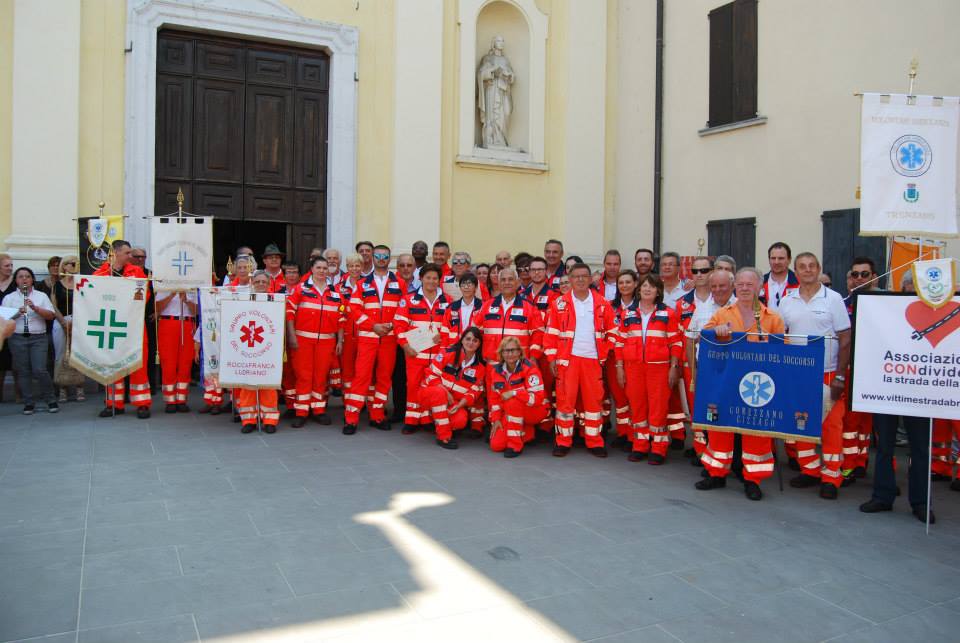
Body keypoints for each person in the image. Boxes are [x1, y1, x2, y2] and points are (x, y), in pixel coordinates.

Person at [696, 267, 784, 501]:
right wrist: (716, 332)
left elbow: (781, 353)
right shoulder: (723, 313)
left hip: (757, 384)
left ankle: (753, 480)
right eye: (741, 284)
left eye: (749, 284)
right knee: (720, 428)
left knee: (755, 431)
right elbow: (703, 336)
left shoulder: (773, 318)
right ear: (735, 287)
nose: (745, 288)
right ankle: (716, 473)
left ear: (759, 287)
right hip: (726, 380)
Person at [778, 252, 851, 499]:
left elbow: (845, 338)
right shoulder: (787, 300)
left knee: (831, 426)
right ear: (795, 271)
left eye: (811, 266)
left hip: (827, 373)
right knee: (801, 421)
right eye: (802, 266)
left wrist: (840, 376)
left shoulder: (833, 299)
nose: (807, 270)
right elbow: (780, 335)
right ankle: (809, 470)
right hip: (798, 373)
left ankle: (831, 476)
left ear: (818, 269)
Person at [545, 262, 617, 458]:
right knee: (565, 403)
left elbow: (613, 331)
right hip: (567, 361)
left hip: (592, 360)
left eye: (584, 276)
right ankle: (563, 441)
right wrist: (552, 358)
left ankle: (594, 441)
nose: (580, 280)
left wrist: (604, 351)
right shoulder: (559, 303)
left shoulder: (602, 303)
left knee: (594, 403)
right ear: (570, 279)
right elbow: (551, 333)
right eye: (576, 276)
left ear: (591, 279)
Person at [614, 273, 682, 463]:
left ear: (658, 291)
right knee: (637, 407)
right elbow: (619, 343)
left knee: (658, 408)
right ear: (639, 289)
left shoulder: (668, 313)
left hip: (659, 369)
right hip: (633, 368)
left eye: (651, 286)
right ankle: (640, 445)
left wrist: (674, 367)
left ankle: (659, 448)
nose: (647, 289)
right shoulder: (628, 314)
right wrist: (619, 367)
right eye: (644, 286)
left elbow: (676, 343)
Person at [343, 244, 405, 434]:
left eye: (385, 256)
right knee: (361, 378)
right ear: (373, 258)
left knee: (384, 378)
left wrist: (391, 325)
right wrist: (373, 326)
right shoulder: (363, 284)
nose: (381, 259)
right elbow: (353, 309)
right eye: (378, 256)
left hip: (389, 339)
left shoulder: (399, 283)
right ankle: (351, 419)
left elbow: (403, 310)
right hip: (368, 339)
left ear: (389, 259)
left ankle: (377, 416)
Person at [95, 240, 152, 419]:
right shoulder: (101, 273)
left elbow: (145, 295)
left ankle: (142, 404)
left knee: (138, 364)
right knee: (112, 364)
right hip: (112, 324)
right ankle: (113, 403)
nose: (130, 256)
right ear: (115, 253)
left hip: (134, 324)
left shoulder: (136, 272)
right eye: (127, 253)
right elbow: (93, 295)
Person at [685, 268, 737, 462]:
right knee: (710, 413)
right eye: (713, 286)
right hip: (708, 371)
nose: (718, 289)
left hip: (733, 371)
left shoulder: (742, 307)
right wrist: (694, 371)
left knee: (730, 416)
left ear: (732, 285)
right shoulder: (702, 308)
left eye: (722, 285)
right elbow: (690, 339)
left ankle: (733, 460)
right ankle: (711, 457)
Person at [286, 256, 345, 428]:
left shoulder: (335, 293)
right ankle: (301, 412)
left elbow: (341, 319)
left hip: (326, 342)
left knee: (320, 377)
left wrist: (340, 340)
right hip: (303, 340)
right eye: (318, 267)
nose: (322, 271)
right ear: (311, 269)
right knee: (304, 376)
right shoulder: (301, 289)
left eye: (325, 268)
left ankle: (318, 410)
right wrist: (292, 336)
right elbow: (289, 313)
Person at [394, 263, 450, 433]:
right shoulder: (408, 299)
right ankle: (411, 420)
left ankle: (426, 418)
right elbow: (399, 325)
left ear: (439, 280)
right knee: (413, 385)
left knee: (432, 387)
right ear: (421, 278)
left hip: (438, 355)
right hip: (415, 352)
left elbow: (452, 326)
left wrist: (443, 338)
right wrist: (405, 346)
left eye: (435, 278)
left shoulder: (447, 301)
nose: (431, 281)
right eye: (428, 277)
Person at [420, 327, 486, 449]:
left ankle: (438, 420)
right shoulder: (448, 353)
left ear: (479, 344)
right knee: (439, 393)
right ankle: (443, 436)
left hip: (453, 402)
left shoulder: (480, 368)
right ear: (462, 340)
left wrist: (459, 405)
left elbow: (474, 393)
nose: (471, 343)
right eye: (468, 339)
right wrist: (446, 392)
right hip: (429, 395)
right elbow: (430, 374)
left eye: (475, 340)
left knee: (460, 420)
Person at [861, 411, 935, 522]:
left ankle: (922, 503)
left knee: (920, 448)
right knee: (884, 445)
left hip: (919, 402)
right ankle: (882, 496)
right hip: (886, 401)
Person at [3, 267, 58, 414]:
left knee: (40, 369)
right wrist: (17, 313)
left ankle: (51, 399)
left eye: (27, 276)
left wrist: (35, 308)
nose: (24, 279)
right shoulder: (9, 298)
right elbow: (3, 319)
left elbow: (51, 316)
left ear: (32, 279)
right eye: (20, 277)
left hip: (38, 337)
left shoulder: (41, 296)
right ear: (16, 280)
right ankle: (28, 403)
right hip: (17, 337)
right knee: (23, 371)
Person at [487, 336, 549, 457]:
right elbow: (494, 399)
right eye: (506, 350)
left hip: (535, 409)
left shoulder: (530, 368)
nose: (510, 354)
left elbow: (537, 398)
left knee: (513, 402)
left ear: (520, 352)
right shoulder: (496, 371)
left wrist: (514, 392)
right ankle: (527, 432)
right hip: (512, 412)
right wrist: (496, 419)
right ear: (501, 353)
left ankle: (515, 445)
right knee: (496, 445)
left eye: (513, 350)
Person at [236, 271, 281, 434]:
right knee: (248, 384)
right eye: (257, 282)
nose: (261, 284)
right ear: (252, 283)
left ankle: (269, 420)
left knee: (268, 385)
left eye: (264, 282)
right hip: (248, 347)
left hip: (268, 348)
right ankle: (249, 420)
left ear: (269, 284)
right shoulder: (243, 301)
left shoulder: (276, 301)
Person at [478, 267, 543, 363]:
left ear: (518, 283)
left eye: (510, 279)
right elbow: (475, 333)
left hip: (519, 365)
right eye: (503, 280)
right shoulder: (486, 306)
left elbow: (538, 334)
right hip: (491, 365)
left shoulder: (530, 308)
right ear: (498, 283)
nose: (507, 282)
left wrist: (533, 358)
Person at [607, 270, 639, 448]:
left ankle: (635, 435)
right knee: (619, 397)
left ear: (635, 284)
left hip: (634, 357)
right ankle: (623, 432)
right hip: (613, 357)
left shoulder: (642, 306)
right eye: (621, 283)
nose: (624, 286)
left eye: (628, 282)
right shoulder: (610, 306)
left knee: (634, 397)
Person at [155, 286, 198, 413]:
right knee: (168, 362)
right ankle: (170, 400)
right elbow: (157, 308)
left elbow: (196, 311)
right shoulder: (164, 286)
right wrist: (171, 295)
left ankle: (182, 399)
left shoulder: (192, 287)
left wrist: (186, 300)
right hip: (168, 323)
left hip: (188, 323)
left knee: (186, 362)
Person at [50, 255, 84, 402]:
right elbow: (53, 306)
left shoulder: (82, 283)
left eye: (76, 263)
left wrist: (76, 321)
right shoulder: (57, 285)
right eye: (71, 263)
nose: (74, 265)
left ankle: (80, 387)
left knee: (78, 354)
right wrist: (64, 323)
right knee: (61, 355)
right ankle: (62, 387)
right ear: (64, 266)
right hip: (61, 321)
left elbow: (86, 303)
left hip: (78, 321)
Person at [338, 253, 364, 402]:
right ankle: (348, 402)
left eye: (357, 265)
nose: (354, 269)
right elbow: (338, 313)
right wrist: (340, 338)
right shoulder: (339, 288)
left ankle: (361, 402)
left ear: (362, 267)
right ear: (347, 267)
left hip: (364, 334)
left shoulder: (368, 286)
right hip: (347, 334)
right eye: (351, 266)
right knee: (347, 370)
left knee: (362, 370)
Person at [760, 242, 798, 312]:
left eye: (781, 258)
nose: (776, 262)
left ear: (789, 260)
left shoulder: (799, 283)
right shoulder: (759, 283)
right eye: (773, 258)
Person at [0, 253, 17, 402]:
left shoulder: (15, 283)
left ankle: (19, 394)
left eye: (11, 265)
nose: (10, 268)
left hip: (14, 325)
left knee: (15, 361)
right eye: (7, 265)